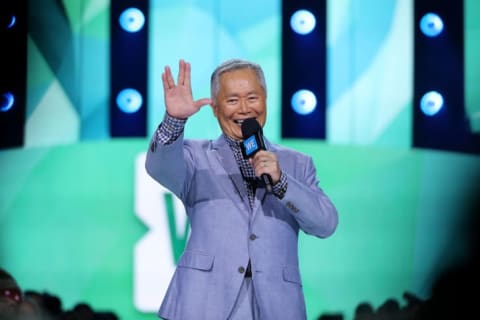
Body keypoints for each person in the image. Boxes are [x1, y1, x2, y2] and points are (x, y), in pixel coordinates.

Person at [145, 58, 339, 320]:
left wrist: (282, 182)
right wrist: (174, 121)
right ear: (215, 107)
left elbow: (325, 223)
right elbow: (159, 166)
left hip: (276, 306)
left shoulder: (297, 163)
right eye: (232, 100)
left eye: (252, 98)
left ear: (266, 99)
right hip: (204, 304)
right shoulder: (196, 156)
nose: (245, 109)